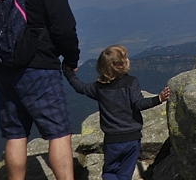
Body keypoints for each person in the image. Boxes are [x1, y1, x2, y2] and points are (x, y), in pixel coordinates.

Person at [0, 0, 80, 180]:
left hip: (5, 69)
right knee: (58, 133)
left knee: (15, 134)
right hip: (39, 67)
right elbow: (64, 28)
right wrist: (71, 59)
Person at [63, 45, 170, 180]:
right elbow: (139, 104)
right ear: (122, 65)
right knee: (125, 174)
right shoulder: (131, 83)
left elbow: (80, 87)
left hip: (112, 140)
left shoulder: (99, 88)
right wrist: (159, 99)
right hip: (132, 139)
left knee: (110, 172)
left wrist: (68, 73)